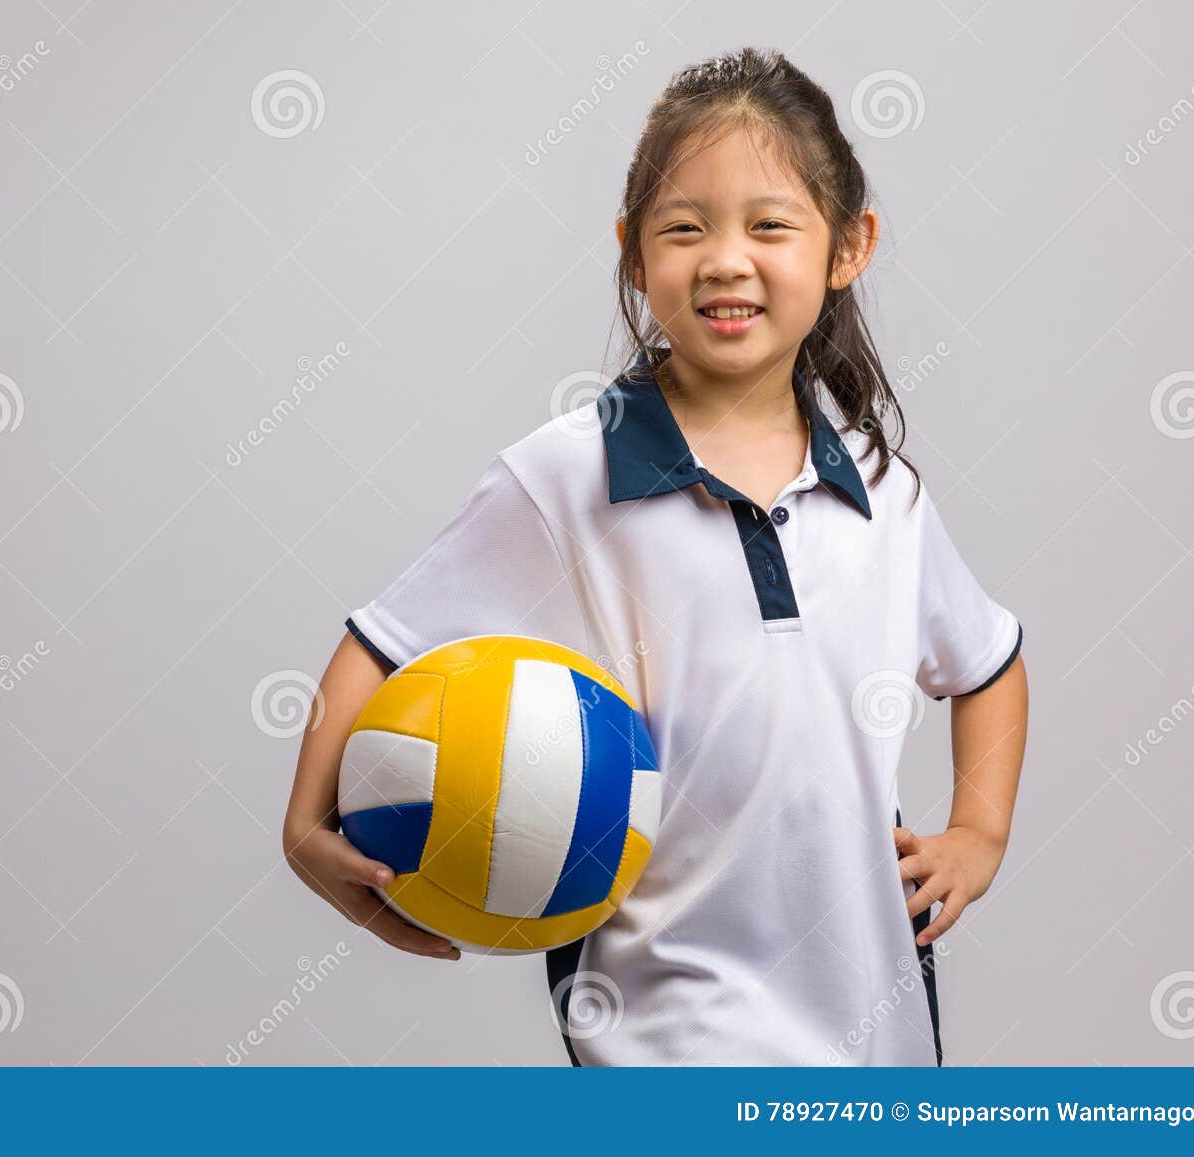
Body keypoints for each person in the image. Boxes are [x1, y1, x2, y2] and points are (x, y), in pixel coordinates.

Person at [282, 46, 1029, 1066]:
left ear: (847, 246)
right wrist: (303, 823)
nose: (725, 259)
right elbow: (383, 642)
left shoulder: (881, 486)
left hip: (876, 1024)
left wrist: (976, 833)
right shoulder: (564, 475)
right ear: (635, 253)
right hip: (661, 1029)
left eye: (769, 224)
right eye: (685, 228)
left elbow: (986, 661)